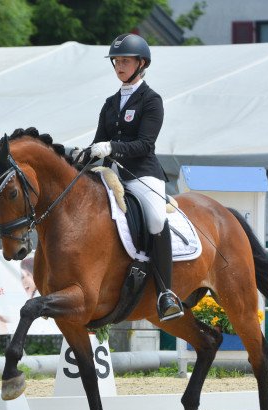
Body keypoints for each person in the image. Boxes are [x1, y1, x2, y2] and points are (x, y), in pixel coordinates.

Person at [87, 33, 183, 322]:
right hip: (112, 174)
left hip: (143, 174)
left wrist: (112, 147)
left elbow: (145, 145)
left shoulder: (151, 101)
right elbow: (98, 142)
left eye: (125, 60)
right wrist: (84, 155)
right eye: (116, 61)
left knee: (155, 218)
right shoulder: (110, 102)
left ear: (142, 63)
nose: (119, 65)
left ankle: (166, 293)